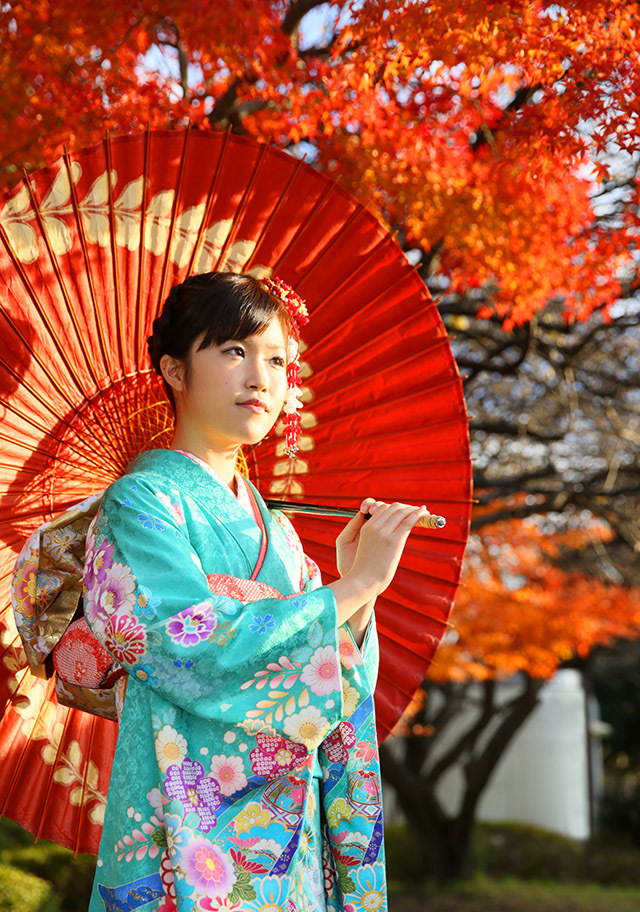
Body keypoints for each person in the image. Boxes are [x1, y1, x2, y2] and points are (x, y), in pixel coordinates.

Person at [83, 271, 426, 912]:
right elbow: (181, 641)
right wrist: (355, 585)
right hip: (186, 806)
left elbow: (340, 686)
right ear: (175, 370)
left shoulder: (282, 536)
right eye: (235, 351)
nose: (261, 379)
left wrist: (358, 602)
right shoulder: (140, 500)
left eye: (276, 360)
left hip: (289, 829)